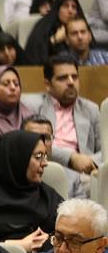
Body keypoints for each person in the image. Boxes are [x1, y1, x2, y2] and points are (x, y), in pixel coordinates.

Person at [0, 129, 63, 253]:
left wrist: (50, 241)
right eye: (38, 156)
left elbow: (70, 232)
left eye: (45, 156)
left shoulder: (47, 196)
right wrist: (16, 246)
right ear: (16, 159)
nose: (45, 163)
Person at [22, 54, 102, 198]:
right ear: (48, 84)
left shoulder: (91, 109)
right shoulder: (32, 105)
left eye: (74, 77)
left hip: (84, 174)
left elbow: (105, 150)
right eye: (63, 78)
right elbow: (28, 145)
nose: (71, 82)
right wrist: (71, 158)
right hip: (45, 168)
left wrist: (88, 161)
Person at [25, 0, 86, 66]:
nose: (70, 11)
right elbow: (35, 55)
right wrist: (55, 39)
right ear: (57, 9)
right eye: (66, 6)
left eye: (74, 7)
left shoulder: (81, 28)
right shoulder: (44, 26)